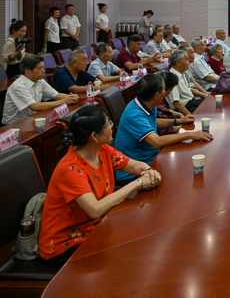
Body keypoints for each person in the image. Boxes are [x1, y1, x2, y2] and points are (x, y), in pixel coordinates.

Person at [38, 105, 162, 265]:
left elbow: (132, 166)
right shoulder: (70, 169)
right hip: (65, 244)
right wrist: (137, 183)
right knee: (129, 256)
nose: (112, 126)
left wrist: (149, 171)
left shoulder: (102, 150)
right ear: (94, 136)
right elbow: (94, 210)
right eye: (108, 124)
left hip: (96, 227)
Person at [115, 73, 213, 183]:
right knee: (184, 176)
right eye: (164, 89)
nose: (166, 92)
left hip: (152, 158)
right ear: (156, 95)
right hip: (135, 172)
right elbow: (156, 142)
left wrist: (179, 121)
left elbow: (153, 122)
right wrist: (191, 134)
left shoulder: (146, 103)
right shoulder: (134, 115)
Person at [2, 55, 79, 124]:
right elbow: (34, 106)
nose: (44, 71)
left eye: (43, 67)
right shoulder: (18, 86)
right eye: (40, 68)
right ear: (28, 71)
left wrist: (70, 97)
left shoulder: (40, 81)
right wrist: (63, 101)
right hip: (13, 125)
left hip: (32, 118)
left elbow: (56, 95)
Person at [166, 50, 208, 115]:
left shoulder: (181, 73)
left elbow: (188, 89)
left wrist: (204, 94)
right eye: (186, 60)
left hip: (192, 102)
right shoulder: (172, 78)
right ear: (178, 63)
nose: (189, 63)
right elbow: (176, 103)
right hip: (186, 108)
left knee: (212, 103)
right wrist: (191, 117)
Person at [156, 71, 196, 136]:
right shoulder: (154, 103)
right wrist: (186, 128)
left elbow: (164, 109)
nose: (169, 93)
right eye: (169, 91)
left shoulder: (159, 99)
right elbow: (164, 130)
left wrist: (179, 115)